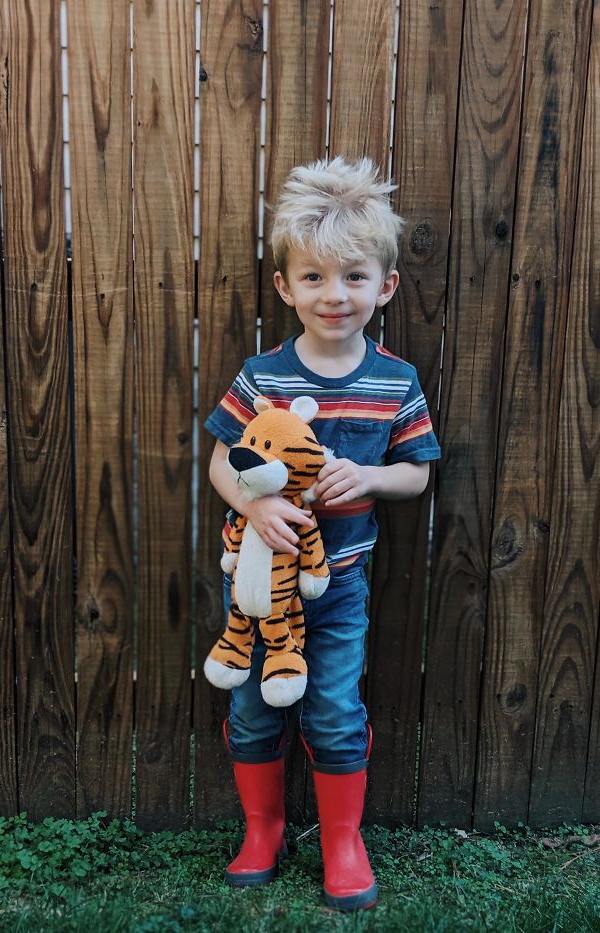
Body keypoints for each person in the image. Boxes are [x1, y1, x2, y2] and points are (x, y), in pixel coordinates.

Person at [204, 156, 441, 911]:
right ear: (284, 287)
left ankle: (343, 838)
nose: (333, 295)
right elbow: (219, 460)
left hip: (338, 585)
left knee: (336, 707)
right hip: (256, 585)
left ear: (385, 285)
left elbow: (417, 473)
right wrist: (256, 503)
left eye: (352, 277)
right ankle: (263, 827)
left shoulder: (394, 381)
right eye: (313, 277)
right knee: (252, 706)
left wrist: (369, 478)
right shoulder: (262, 375)